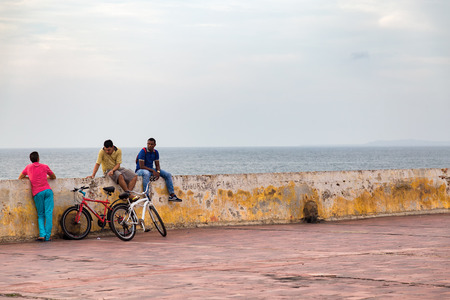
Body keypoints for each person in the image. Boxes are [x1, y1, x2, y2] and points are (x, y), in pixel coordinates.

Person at [19, 151, 56, 242]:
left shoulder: (28, 167)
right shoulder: (45, 166)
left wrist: (30, 178)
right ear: (38, 158)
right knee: (48, 214)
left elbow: (20, 177)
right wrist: (46, 177)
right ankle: (47, 237)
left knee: (40, 214)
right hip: (47, 191)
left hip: (37, 193)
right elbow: (53, 177)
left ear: (31, 159)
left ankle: (42, 235)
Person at [136, 138, 182, 202]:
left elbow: (157, 165)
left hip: (150, 169)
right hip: (140, 170)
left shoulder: (155, 152)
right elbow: (141, 166)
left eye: (151, 144)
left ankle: (172, 195)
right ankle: (146, 195)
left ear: (154, 145)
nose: (149, 145)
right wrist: (153, 171)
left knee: (168, 174)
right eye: (148, 144)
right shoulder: (143, 151)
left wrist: (158, 172)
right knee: (146, 173)